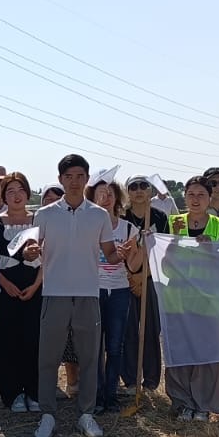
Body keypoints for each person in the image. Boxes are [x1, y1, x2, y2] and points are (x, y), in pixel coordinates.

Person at [34, 154, 126, 437]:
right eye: (68, 177)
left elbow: (109, 253)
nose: (74, 182)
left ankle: (86, 413)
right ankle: (47, 414)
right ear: (61, 179)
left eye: (79, 176)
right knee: (48, 358)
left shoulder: (98, 215)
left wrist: (122, 253)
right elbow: (33, 249)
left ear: (87, 180)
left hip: (88, 293)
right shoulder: (45, 214)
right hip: (54, 293)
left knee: (89, 357)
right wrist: (29, 254)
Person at [165, 176, 219, 422]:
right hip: (177, 300)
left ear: (209, 197)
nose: (195, 199)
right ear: (184, 197)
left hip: (208, 301)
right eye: (191, 194)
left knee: (206, 354)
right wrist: (173, 244)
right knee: (179, 353)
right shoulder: (172, 223)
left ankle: (203, 404)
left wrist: (211, 251)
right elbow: (163, 263)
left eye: (200, 194)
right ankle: (182, 403)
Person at [0, 172, 44, 412]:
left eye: (20, 190)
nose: (16, 195)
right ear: (3, 195)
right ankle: (12, 394)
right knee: (7, 342)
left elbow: (48, 257)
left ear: (28, 192)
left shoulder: (38, 220)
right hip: (5, 291)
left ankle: (33, 392)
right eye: (10, 191)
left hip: (35, 289)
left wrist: (35, 286)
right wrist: (4, 283)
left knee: (33, 341)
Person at [88, 177, 138, 414]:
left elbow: (137, 265)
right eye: (100, 193)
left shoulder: (129, 228)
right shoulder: (88, 226)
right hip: (93, 288)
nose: (105, 197)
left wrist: (134, 252)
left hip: (119, 290)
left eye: (110, 193)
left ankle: (111, 395)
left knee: (115, 346)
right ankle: (97, 396)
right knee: (95, 346)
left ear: (118, 198)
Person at [121, 175, 169, 394]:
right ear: (128, 192)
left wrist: (144, 277)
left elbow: (164, 252)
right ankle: (130, 379)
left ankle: (150, 381)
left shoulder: (160, 217)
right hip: (125, 279)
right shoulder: (122, 216)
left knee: (151, 330)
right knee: (128, 330)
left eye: (143, 186)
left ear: (150, 191)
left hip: (151, 279)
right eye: (133, 187)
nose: (139, 191)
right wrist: (132, 277)